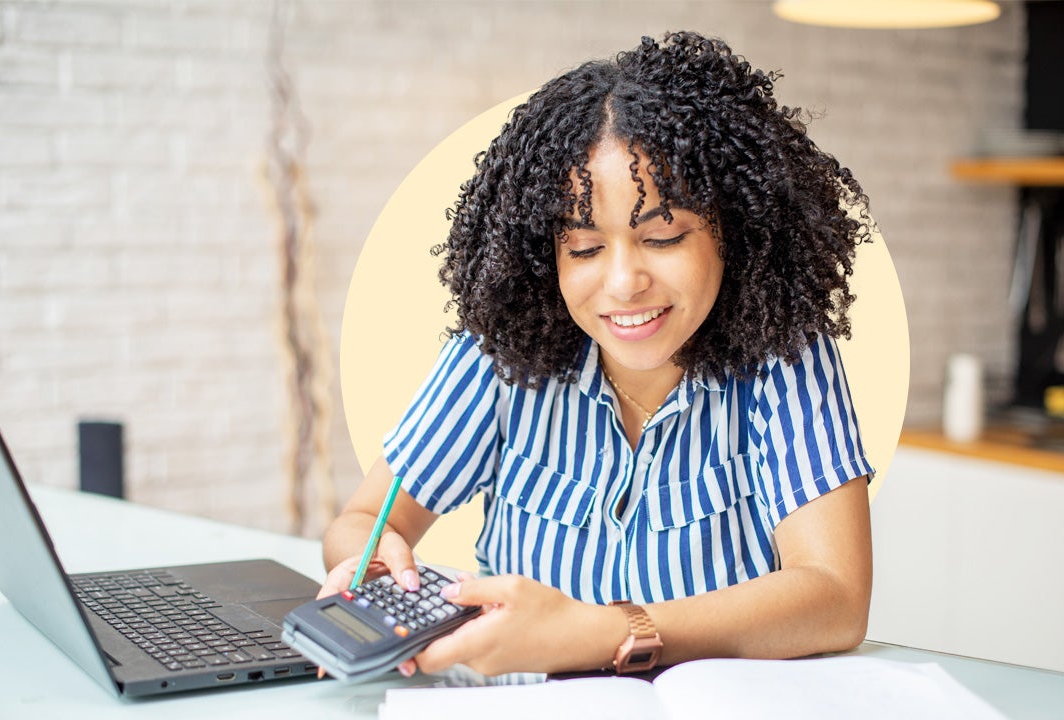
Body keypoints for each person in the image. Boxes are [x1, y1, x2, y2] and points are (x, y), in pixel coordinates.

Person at [319, 30, 877, 678]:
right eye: (584, 249)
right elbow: (361, 519)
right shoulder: (503, 354)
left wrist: (606, 633)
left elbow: (836, 597)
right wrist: (374, 557)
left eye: (662, 236)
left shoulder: (784, 357)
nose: (622, 283)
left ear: (737, 229)